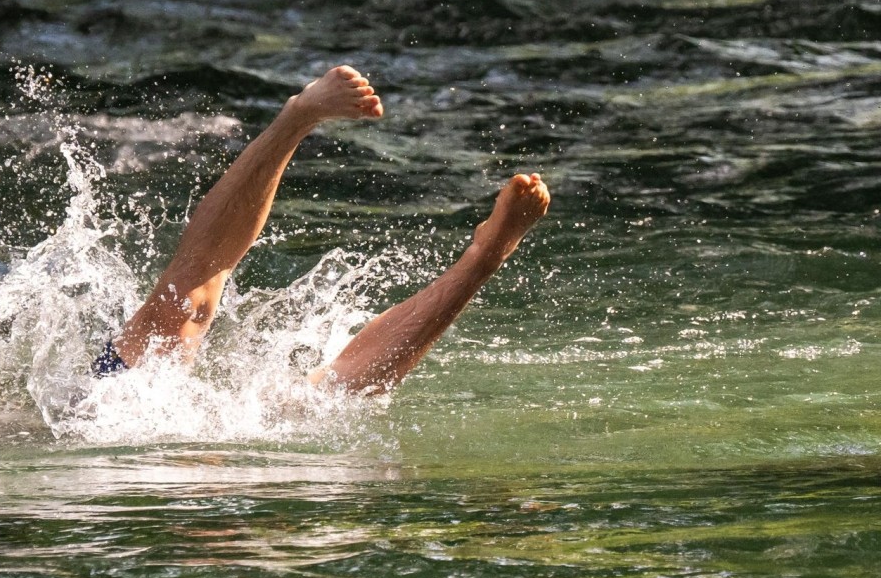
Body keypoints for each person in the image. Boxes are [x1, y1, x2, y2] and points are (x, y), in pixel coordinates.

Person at [93, 66, 550, 394]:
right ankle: (484, 259)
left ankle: (297, 117)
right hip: (180, 462)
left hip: (102, 417)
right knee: (330, 398)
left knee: (179, 310)